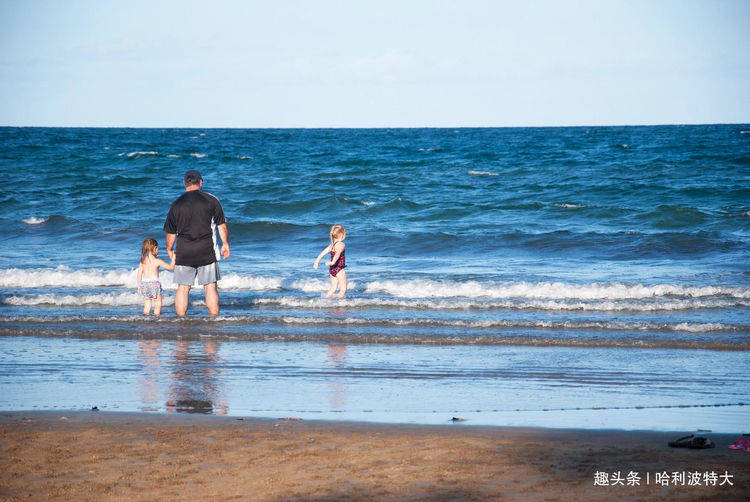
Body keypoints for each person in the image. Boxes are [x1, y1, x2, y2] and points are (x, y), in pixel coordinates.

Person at [164, 170, 230, 316]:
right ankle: (214, 318)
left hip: (184, 251)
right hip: (206, 250)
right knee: (210, 287)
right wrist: (225, 244)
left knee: (183, 288)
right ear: (200, 182)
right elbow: (221, 225)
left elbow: (171, 232)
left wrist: (169, 249)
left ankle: (181, 319)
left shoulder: (176, 204)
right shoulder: (212, 200)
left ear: (184, 184)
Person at [136, 237, 175, 315]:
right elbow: (171, 267)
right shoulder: (157, 261)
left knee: (147, 304)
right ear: (155, 248)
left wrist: (139, 286)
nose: (158, 250)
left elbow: (139, 273)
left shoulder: (142, 260)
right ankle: (157, 317)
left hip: (144, 284)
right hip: (154, 283)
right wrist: (174, 258)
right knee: (158, 304)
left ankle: (146, 317)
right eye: (158, 248)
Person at [313, 224, 347, 298]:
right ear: (341, 234)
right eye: (345, 233)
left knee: (333, 288)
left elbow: (322, 253)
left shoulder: (332, 245)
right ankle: (339, 304)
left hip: (332, 270)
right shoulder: (341, 244)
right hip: (339, 269)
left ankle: (324, 300)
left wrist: (316, 262)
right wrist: (333, 262)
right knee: (343, 289)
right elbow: (337, 254)